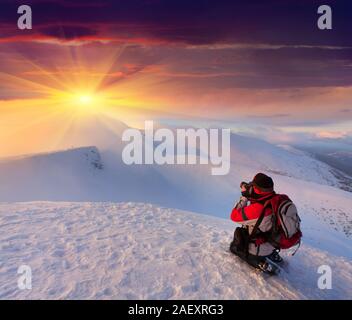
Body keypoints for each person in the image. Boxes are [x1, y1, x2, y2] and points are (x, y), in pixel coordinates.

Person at [229, 173, 282, 272]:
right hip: (273, 243)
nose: (251, 187)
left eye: (253, 185)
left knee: (234, 247)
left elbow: (234, 216)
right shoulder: (276, 200)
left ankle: (260, 262)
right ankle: (272, 255)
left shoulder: (258, 208)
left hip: (259, 248)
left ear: (258, 190)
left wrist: (244, 197)